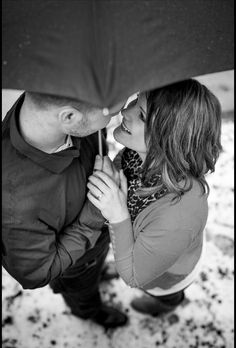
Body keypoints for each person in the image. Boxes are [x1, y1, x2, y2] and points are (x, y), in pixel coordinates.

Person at [87, 79, 222, 316]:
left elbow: (134, 276)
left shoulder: (178, 216)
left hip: (168, 276)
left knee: (164, 294)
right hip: (152, 250)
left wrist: (118, 215)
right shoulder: (137, 154)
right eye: (136, 100)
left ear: (168, 139)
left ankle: (164, 307)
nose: (124, 111)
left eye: (141, 114)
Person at [2, 91, 129, 328]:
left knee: (96, 268)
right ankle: (89, 312)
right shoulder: (14, 205)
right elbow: (36, 273)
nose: (117, 115)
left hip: (97, 246)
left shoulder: (45, 113)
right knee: (82, 293)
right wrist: (95, 211)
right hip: (76, 266)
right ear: (69, 116)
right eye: (110, 111)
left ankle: (99, 271)